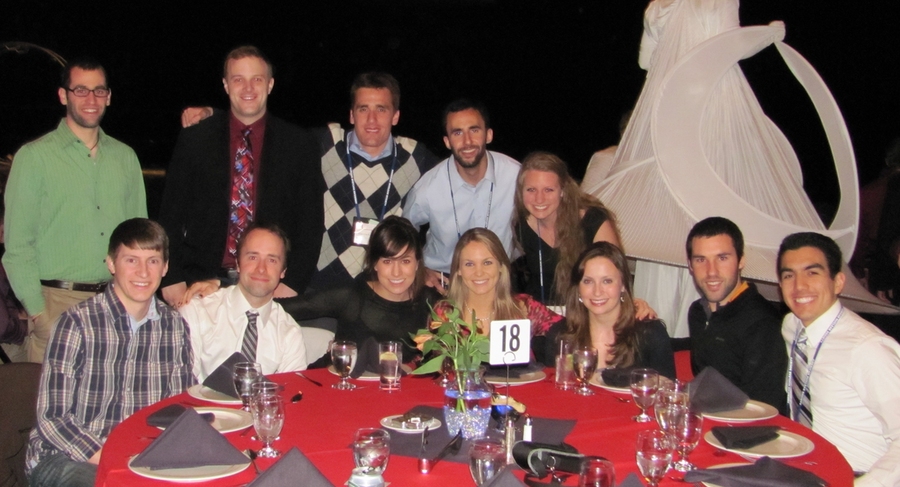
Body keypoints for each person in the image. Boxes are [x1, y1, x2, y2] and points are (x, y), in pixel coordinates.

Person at [180, 72, 438, 291]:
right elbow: (264, 129)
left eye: (381, 109)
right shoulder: (322, 143)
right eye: (363, 109)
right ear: (351, 114)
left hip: (383, 286)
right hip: (318, 285)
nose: (371, 120)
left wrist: (427, 267)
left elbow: (459, 176)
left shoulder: (415, 156)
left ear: (395, 116)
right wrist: (214, 115)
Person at [26, 218, 193, 487]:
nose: (143, 272)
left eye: (152, 261)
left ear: (165, 267)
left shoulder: (174, 327)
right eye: (131, 260)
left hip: (142, 457)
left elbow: (177, 408)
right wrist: (118, 459)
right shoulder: (77, 323)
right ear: (111, 264)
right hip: (67, 457)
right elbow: (52, 419)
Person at [3, 57, 147, 363]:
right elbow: (17, 246)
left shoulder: (126, 158)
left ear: (109, 96)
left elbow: (140, 240)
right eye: (80, 90)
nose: (91, 99)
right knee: (48, 409)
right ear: (63, 95)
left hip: (115, 304)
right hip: (56, 306)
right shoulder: (34, 158)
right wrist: (38, 312)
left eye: (98, 90)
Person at [158, 46, 322, 308]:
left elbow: (311, 222)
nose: (248, 88)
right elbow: (171, 214)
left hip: (269, 286)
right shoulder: (195, 139)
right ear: (225, 85)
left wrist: (292, 283)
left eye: (256, 79)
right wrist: (171, 277)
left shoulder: (299, 144)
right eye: (238, 79)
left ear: (269, 84)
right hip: (200, 285)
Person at [778, 232, 900, 486]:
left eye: (812, 273)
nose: (799, 286)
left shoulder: (867, 349)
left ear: (838, 282)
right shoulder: (793, 326)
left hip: (857, 475)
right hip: (802, 470)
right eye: (789, 275)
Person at [278, 216, 442, 364]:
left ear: (418, 263)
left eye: (405, 261)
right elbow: (279, 308)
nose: (396, 272)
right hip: (338, 384)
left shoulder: (431, 303)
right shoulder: (351, 296)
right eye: (387, 262)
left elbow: (443, 359)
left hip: (394, 392)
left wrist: (411, 368)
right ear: (375, 263)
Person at [404, 99, 520, 294]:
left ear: (488, 135)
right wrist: (419, 269)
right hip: (445, 283)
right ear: (447, 141)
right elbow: (403, 231)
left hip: (500, 281)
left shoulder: (516, 176)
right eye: (457, 133)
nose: (467, 141)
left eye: (474, 130)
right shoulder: (428, 188)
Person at [180, 222, 309, 381]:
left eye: (272, 260)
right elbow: (184, 387)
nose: (261, 268)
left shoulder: (289, 333)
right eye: (253, 257)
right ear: (237, 264)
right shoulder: (198, 312)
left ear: (283, 271)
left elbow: (289, 395)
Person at [686, 217, 787, 411]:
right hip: (707, 420)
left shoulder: (762, 323)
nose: (711, 271)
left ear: (741, 261)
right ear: (690, 266)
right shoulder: (698, 313)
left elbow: (764, 409)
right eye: (701, 260)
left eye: (722, 258)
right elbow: (713, 340)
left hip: (745, 432)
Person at [546, 242, 676, 378]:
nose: (597, 292)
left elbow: (667, 393)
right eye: (588, 281)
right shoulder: (560, 335)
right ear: (578, 288)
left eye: (607, 281)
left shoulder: (650, 335)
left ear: (623, 285)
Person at [434, 228, 562, 356]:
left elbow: (569, 335)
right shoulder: (445, 313)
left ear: (501, 266)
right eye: (469, 264)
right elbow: (430, 361)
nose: (479, 272)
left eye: (487, 262)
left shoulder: (524, 307)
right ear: (458, 270)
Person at [514, 151, 620, 305]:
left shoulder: (592, 221)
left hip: (587, 311)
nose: (539, 198)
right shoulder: (522, 226)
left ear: (563, 190)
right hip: (541, 314)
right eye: (531, 190)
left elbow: (615, 277)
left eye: (548, 190)